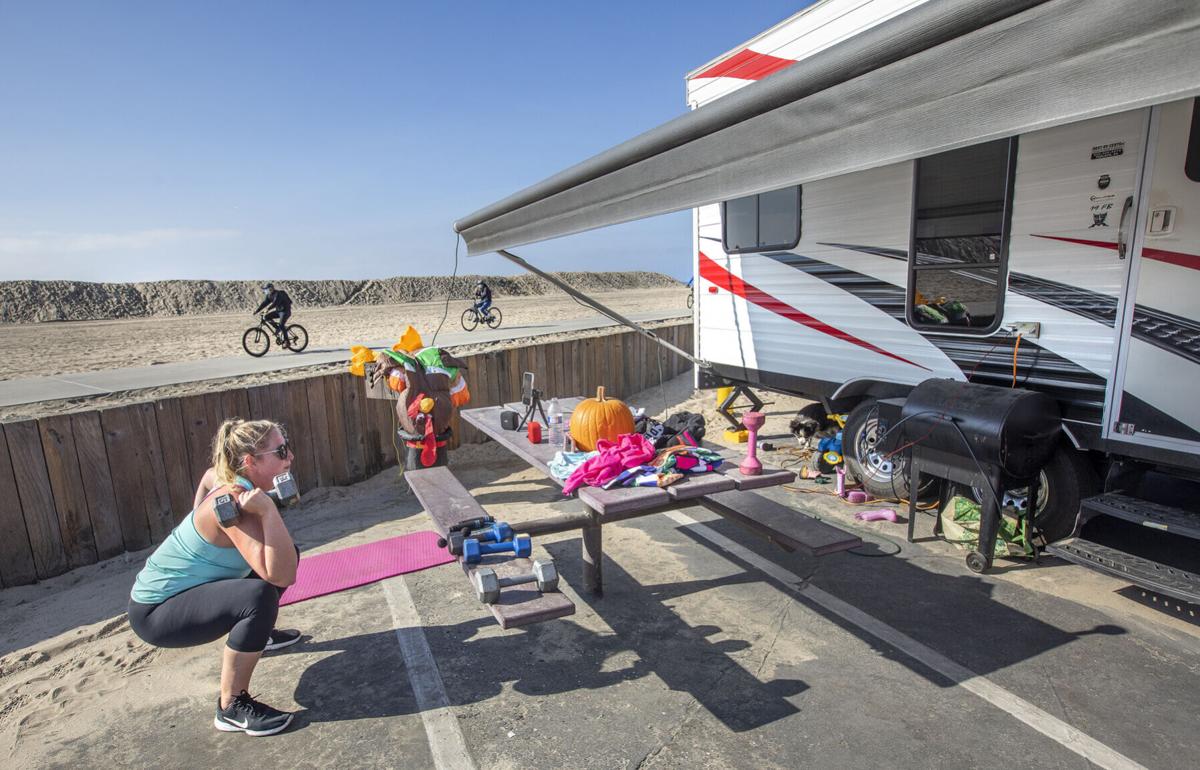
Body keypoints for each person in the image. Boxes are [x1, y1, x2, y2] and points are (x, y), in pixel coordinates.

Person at [128, 418, 302, 737]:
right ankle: (231, 706)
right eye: (281, 451)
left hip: (188, 592)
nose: (290, 456)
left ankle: (258, 635)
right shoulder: (233, 504)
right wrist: (268, 511)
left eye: (287, 446)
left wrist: (195, 516)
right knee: (258, 597)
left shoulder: (229, 478)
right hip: (156, 613)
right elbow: (282, 574)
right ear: (250, 462)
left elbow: (209, 476)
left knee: (286, 551)